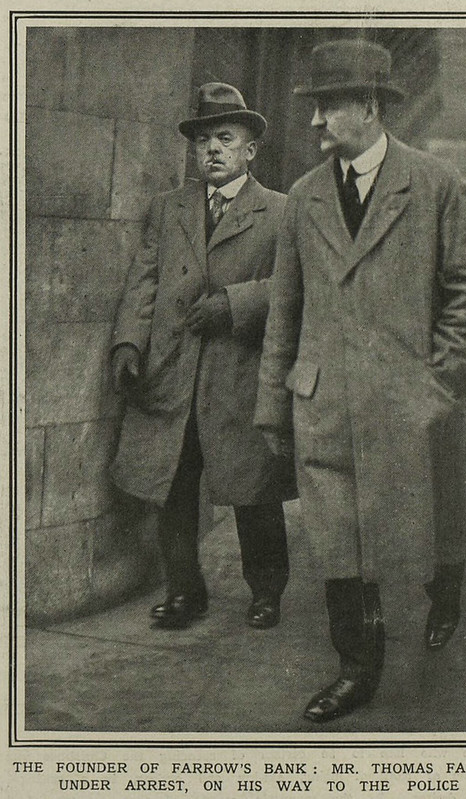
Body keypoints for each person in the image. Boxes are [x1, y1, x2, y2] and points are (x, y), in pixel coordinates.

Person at [254, 40, 466, 722]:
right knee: (340, 544)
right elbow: (285, 309)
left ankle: (444, 592)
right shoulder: (303, 199)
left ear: (368, 107)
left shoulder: (437, 185)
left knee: (434, 534)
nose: (314, 124)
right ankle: (358, 666)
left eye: (327, 107)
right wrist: (274, 407)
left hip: (415, 407)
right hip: (326, 404)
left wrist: (434, 390)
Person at [110, 82, 296, 631]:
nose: (212, 150)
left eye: (225, 138)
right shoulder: (168, 210)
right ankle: (185, 591)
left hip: (237, 376)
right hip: (174, 373)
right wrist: (128, 343)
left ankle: (266, 590)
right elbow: (144, 280)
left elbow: (293, 286)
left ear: (249, 150)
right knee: (174, 486)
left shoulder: (281, 212)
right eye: (203, 141)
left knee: (253, 491)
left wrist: (234, 305)